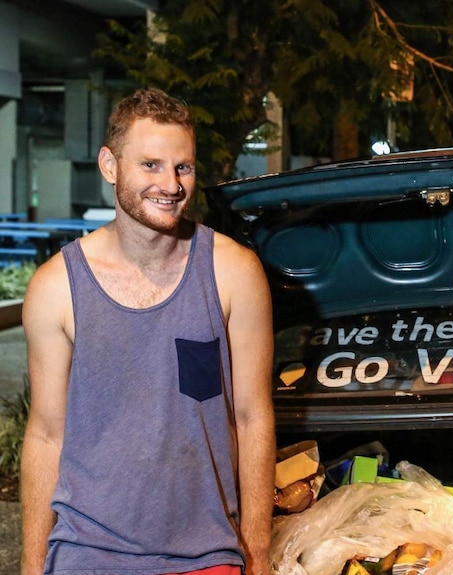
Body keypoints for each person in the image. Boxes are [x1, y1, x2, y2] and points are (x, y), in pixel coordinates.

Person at [20, 88, 275, 575]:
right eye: (151, 165)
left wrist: (257, 555)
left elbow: (252, 418)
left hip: (205, 551)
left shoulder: (234, 272)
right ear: (110, 165)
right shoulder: (55, 287)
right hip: (85, 550)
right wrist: (32, 566)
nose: (171, 184)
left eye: (184, 167)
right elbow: (47, 435)